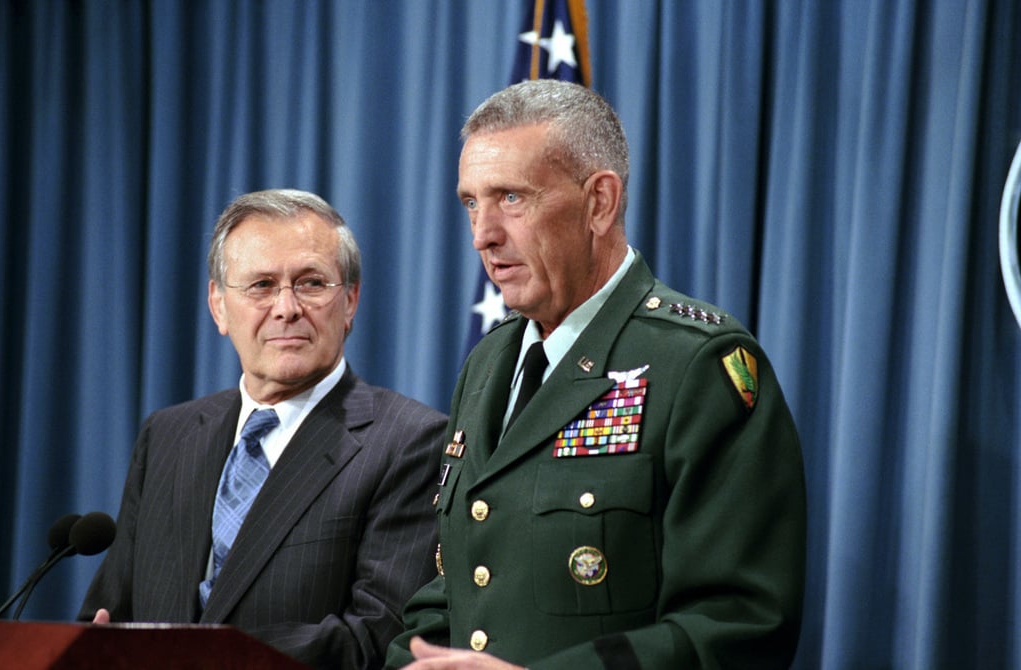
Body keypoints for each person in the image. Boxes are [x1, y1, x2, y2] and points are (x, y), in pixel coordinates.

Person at [386, 80, 806, 669]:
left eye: (511, 198)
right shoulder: (489, 363)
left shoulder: (697, 364)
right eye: (471, 202)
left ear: (599, 203)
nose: (483, 234)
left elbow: (739, 622)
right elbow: (461, 586)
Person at [79, 189, 447, 669]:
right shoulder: (168, 435)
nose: (286, 307)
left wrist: (195, 659)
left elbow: (379, 635)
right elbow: (110, 613)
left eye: (311, 283)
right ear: (218, 305)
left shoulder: (408, 441)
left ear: (351, 300)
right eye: (261, 286)